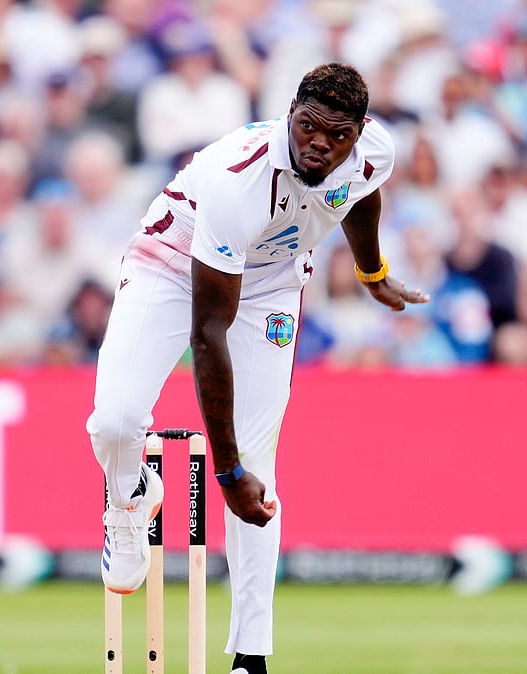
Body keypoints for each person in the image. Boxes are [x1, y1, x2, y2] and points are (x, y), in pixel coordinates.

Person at [87, 63, 428, 674]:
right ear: (290, 111)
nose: (319, 143)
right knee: (115, 422)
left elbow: (359, 192)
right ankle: (131, 495)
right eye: (308, 126)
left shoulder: (373, 150)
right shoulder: (236, 179)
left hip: (270, 284)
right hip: (173, 261)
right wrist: (225, 471)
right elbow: (207, 331)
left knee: (261, 479)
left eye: (337, 134)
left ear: (360, 132)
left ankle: (251, 658)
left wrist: (372, 274)